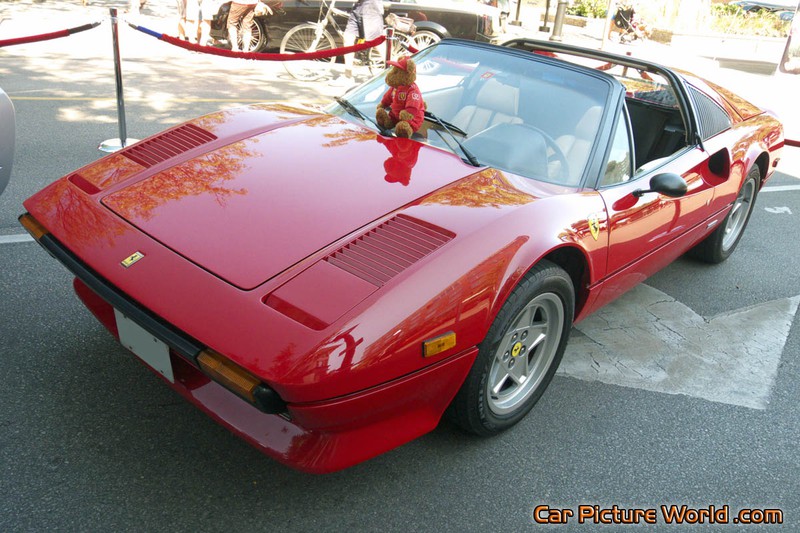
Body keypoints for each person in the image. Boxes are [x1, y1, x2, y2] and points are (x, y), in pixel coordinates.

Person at [337, 0, 385, 84]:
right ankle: (348, 76)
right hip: (358, 7)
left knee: (377, 42)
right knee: (348, 37)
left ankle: (399, 69)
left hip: (371, 7)